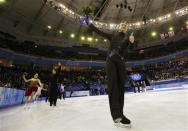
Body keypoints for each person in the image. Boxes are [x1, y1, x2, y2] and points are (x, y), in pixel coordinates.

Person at [85, 20, 135, 127]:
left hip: (121, 63)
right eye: (122, 24)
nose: (123, 26)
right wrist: (89, 24)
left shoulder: (127, 38)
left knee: (121, 88)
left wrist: (131, 43)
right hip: (111, 60)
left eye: (125, 25)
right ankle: (116, 115)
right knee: (113, 87)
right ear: (118, 27)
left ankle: (121, 114)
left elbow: (130, 52)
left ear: (126, 28)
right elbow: (99, 32)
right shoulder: (113, 35)